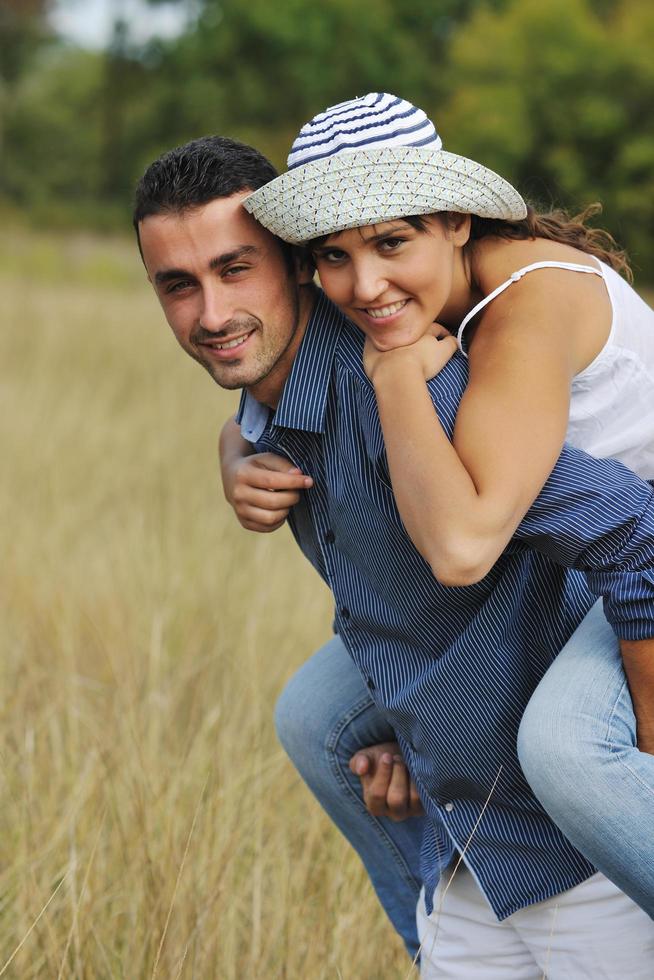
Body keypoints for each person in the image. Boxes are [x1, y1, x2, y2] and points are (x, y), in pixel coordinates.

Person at [134, 132, 654, 977]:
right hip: (469, 850)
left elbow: (632, 525)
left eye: (237, 270)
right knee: (314, 720)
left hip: (576, 858)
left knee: (566, 746)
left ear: (296, 264)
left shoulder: (421, 390)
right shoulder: (272, 416)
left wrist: (642, 744)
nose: (212, 314)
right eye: (177, 286)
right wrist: (410, 738)